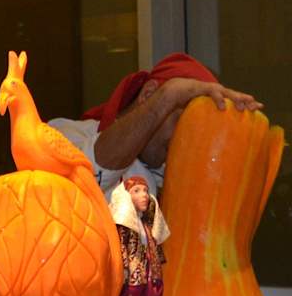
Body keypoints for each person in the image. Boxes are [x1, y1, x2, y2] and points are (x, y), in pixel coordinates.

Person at [49, 53, 261, 194]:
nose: (182, 139)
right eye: (181, 121)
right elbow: (82, 178)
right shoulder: (61, 134)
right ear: (149, 94)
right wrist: (170, 95)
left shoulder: (171, 180)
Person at [109, 176, 169, 296]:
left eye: (146, 191)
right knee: (130, 295)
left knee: (149, 295)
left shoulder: (146, 224)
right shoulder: (124, 224)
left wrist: (157, 261)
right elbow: (120, 245)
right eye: (137, 191)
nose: (144, 195)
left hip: (148, 269)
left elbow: (154, 243)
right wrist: (123, 267)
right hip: (132, 270)